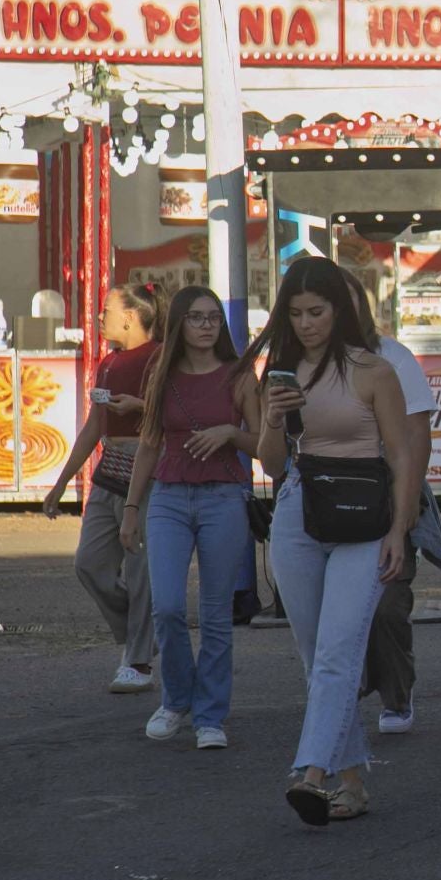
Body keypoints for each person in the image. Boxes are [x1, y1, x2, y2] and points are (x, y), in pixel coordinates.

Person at [253, 257, 418, 826]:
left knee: (337, 649)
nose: (306, 323)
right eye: (295, 313)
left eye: (317, 311)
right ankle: (350, 782)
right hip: (300, 505)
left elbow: (402, 457)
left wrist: (400, 529)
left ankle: (312, 772)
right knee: (315, 654)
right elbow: (272, 465)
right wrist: (273, 417)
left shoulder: (374, 370)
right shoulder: (279, 371)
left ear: (339, 310)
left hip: (366, 511)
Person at [119, 287, 260, 749]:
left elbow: (264, 445)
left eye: (213, 318)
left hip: (223, 498)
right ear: (178, 323)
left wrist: (230, 434)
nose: (205, 326)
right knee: (168, 607)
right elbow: (149, 444)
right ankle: (177, 699)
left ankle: (211, 716)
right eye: (196, 318)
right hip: (169, 498)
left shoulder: (239, 376)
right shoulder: (160, 372)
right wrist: (132, 508)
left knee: (217, 615)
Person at [338, 268, 441, 736]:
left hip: (388, 497)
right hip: (328, 500)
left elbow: (416, 439)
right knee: (336, 611)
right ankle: (343, 691)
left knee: (386, 606)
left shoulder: (392, 357)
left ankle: (396, 694)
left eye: (344, 301)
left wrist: (403, 516)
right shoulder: (301, 361)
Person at [45, 283, 162, 695]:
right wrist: (61, 483)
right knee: (89, 564)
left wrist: (140, 408)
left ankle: (140, 659)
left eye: (107, 308)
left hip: (149, 474)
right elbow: (95, 425)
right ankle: (143, 633)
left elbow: (178, 415)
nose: (99, 316)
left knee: (141, 569)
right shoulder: (109, 362)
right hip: (107, 472)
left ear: (130, 316)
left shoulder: (161, 358)